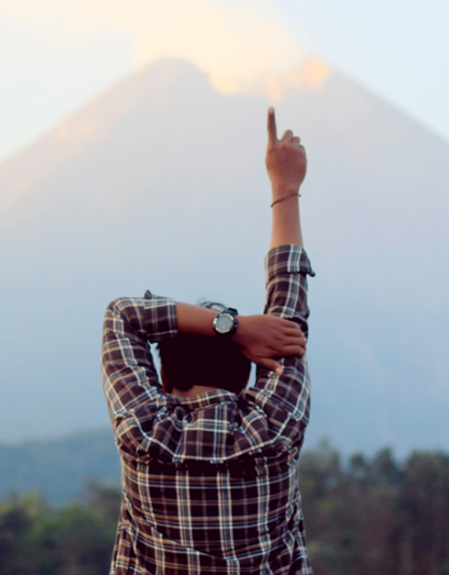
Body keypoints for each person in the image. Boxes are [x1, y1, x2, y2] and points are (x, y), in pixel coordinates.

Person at [100, 107, 315, 574]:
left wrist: (234, 327)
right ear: (247, 372)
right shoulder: (273, 430)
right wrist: (285, 189)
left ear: (162, 374)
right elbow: (289, 314)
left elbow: (122, 314)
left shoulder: (144, 432)